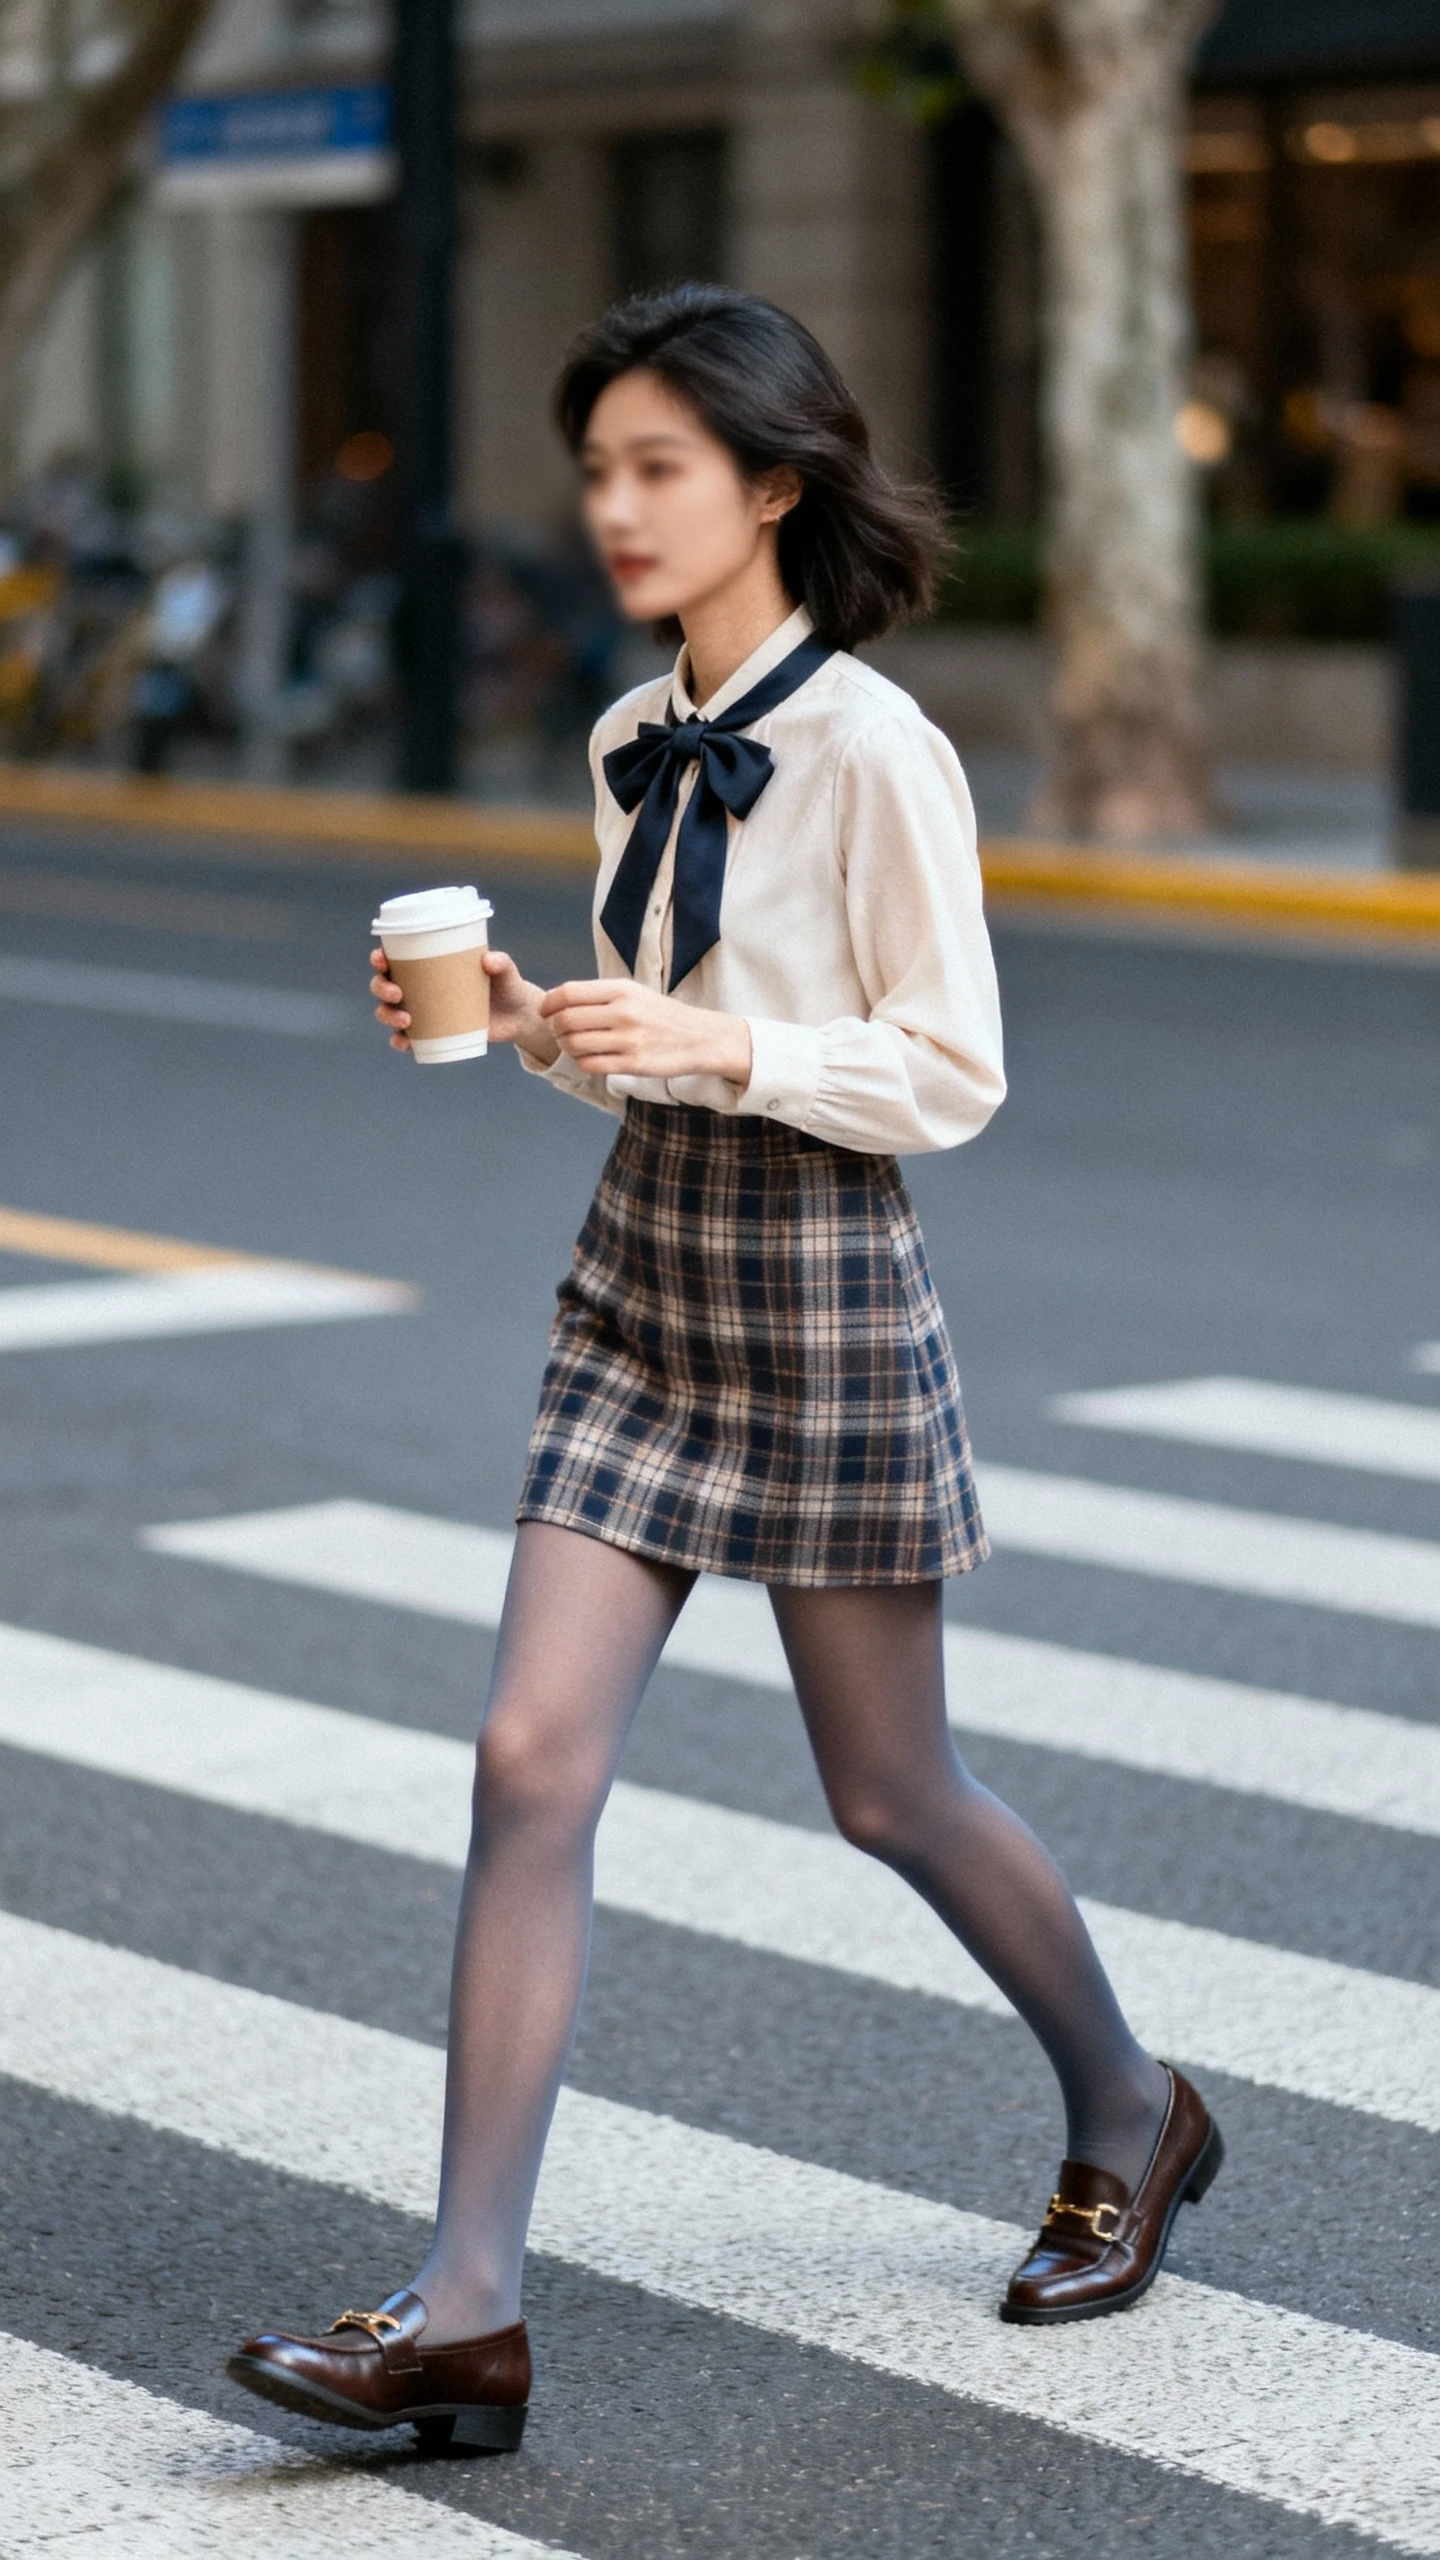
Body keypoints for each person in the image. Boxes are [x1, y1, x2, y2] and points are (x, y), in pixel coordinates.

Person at [227, 286, 1222, 2452]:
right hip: (637, 1288)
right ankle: (468, 2305)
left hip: (823, 1295)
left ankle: (1134, 2104)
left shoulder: (876, 748)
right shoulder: (617, 740)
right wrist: (528, 1017)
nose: (615, 505)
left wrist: (720, 1040)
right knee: (524, 1757)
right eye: (597, 467)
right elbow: (653, 1055)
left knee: (890, 1791)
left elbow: (948, 1071)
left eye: (660, 465)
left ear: (776, 483)